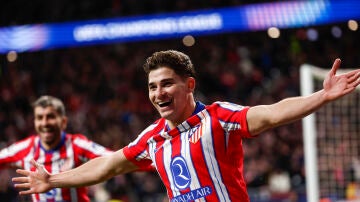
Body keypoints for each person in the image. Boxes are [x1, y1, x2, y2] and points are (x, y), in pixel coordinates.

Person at [12, 50, 360, 201]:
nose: (157, 93)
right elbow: (107, 165)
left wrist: (321, 97)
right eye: (151, 86)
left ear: (189, 85)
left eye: (166, 84)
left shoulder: (219, 118)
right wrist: (53, 179)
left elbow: (270, 113)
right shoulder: (152, 138)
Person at [1, 95, 112, 202]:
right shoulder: (24, 149)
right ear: (34, 122)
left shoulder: (76, 145)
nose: (44, 123)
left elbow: (113, 159)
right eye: (40, 118)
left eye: (50, 117)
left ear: (63, 122)